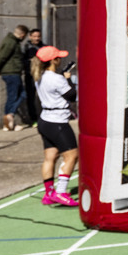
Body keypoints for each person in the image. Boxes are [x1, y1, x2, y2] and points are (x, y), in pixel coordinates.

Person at [31, 45, 79, 207]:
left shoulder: (39, 76)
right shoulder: (57, 78)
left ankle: (49, 193)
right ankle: (61, 192)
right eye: (58, 57)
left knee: (50, 157)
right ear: (53, 60)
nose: (60, 59)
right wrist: (67, 79)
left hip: (45, 120)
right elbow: (72, 96)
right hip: (57, 121)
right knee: (72, 156)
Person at [0, 24, 29, 131]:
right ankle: (10, 116)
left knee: (17, 95)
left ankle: (8, 123)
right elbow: (1, 57)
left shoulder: (13, 41)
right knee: (16, 96)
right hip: (11, 72)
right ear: (22, 34)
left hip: (12, 72)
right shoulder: (11, 42)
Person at [21, 28, 45, 126]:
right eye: (34, 36)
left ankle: (45, 117)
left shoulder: (44, 47)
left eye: (38, 36)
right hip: (30, 75)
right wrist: (30, 62)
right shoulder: (25, 48)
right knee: (31, 98)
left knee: (44, 96)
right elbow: (21, 61)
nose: (37, 38)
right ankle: (33, 119)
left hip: (42, 75)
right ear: (30, 36)